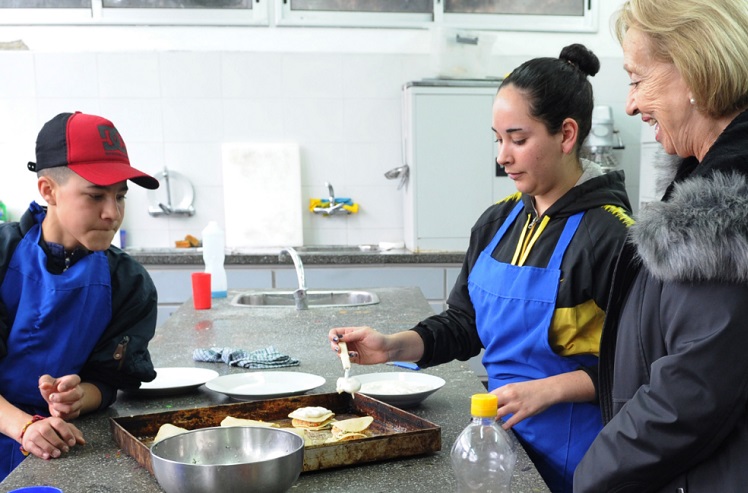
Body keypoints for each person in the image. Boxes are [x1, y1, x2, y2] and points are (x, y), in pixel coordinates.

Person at [329, 44, 634, 493]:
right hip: (503, 444)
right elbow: (464, 323)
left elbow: (639, 367)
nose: (502, 157)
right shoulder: (497, 222)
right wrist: (391, 346)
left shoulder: (613, 237)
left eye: (518, 138)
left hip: (580, 458)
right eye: (497, 138)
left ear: (566, 135)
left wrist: (549, 390)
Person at [572, 1, 748, 491]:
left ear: (694, 70)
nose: (630, 105)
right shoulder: (703, 187)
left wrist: (591, 477)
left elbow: (688, 399)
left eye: (637, 79)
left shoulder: (725, 215)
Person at [0, 111, 160, 480]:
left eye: (120, 197)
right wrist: (25, 426)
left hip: (58, 449)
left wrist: (77, 398)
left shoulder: (128, 281)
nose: (112, 213)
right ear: (48, 190)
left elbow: (109, 381)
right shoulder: (3, 255)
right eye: (95, 196)